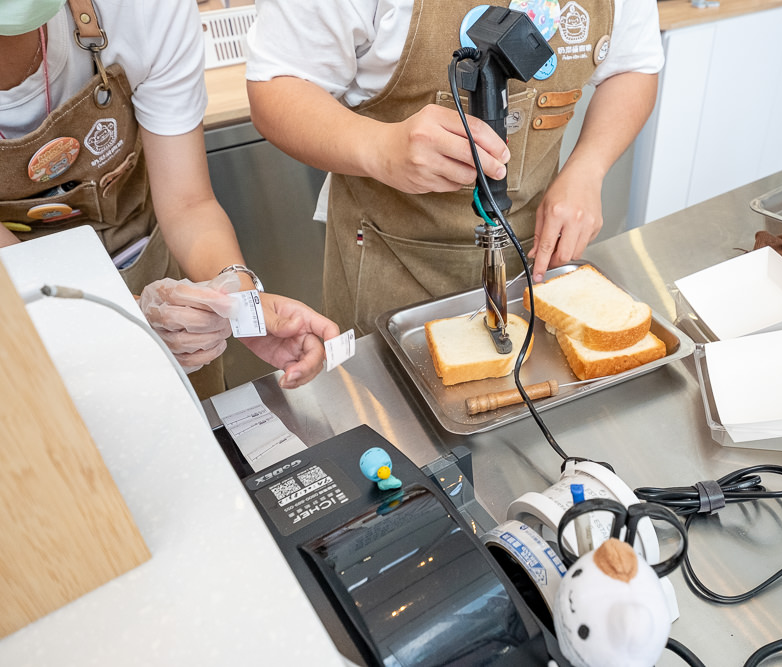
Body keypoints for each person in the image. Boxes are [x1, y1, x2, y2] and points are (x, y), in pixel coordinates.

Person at [246, 0, 664, 334]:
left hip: (533, 254)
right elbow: (278, 84)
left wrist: (588, 168)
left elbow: (633, 67)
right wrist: (380, 147)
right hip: (388, 257)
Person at [0, 0, 340, 396]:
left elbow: (188, 204)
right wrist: (130, 315)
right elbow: (14, 269)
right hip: (19, 313)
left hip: (146, 266)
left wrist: (239, 298)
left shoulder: (141, 10)